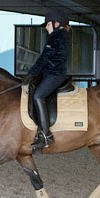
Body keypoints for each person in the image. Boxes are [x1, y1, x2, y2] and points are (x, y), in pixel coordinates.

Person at [22, 9, 70, 150]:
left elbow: (44, 58)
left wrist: (31, 73)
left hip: (55, 74)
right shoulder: (60, 35)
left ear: (56, 23)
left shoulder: (57, 36)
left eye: (47, 24)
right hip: (51, 73)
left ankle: (45, 134)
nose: (46, 27)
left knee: (38, 96)